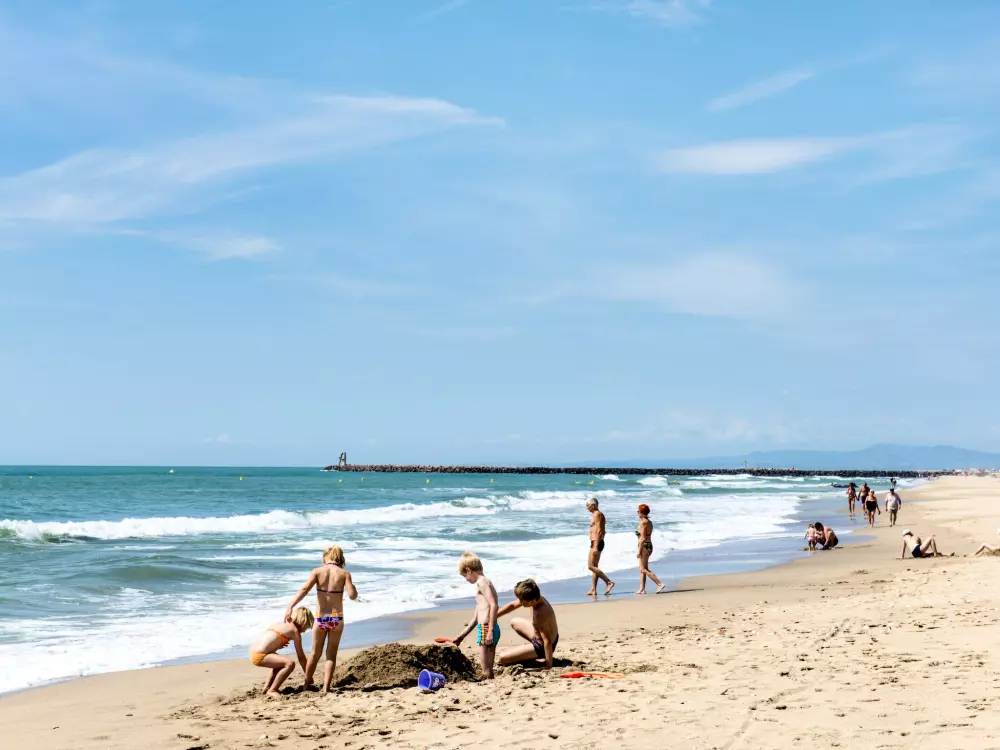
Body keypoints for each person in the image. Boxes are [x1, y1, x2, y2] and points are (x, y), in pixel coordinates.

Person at [284, 545, 359, 693]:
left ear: (325, 558)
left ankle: (307, 685)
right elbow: (352, 596)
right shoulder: (344, 574)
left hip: (321, 618)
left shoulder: (317, 572)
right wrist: (353, 586)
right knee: (331, 654)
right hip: (336, 618)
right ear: (340, 559)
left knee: (314, 653)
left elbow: (304, 589)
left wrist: (290, 606)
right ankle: (326, 688)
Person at [451, 552, 500, 679]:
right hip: (487, 628)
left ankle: (488, 686)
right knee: (488, 668)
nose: (466, 580)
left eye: (464, 576)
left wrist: (490, 631)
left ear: (469, 570)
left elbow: (494, 605)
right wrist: (461, 636)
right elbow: (475, 619)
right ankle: (490, 683)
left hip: (487, 628)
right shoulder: (484, 584)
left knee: (485, 670)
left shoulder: (482, 583)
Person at [248, 607, 314, 695]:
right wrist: (308, 676)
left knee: (279, 664)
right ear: (303, 622)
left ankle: (267, 688)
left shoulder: (281, 623)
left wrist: (278, 644)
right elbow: (301, 657)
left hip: (253, 651)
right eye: (307, 626)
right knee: (289, 664)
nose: (306, 630)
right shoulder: (295, 631)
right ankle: (272, 690)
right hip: (260, 655)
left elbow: (268, 639)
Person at [497, 579, 559, 669]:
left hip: (542, 647)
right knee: (514, 621)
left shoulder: (540, 614)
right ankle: (528, 653)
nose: (520, 602)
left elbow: (547, 641)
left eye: (522, 601)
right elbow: (513, 605)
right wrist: (495, 616)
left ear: (532, 601)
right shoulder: (536, 598)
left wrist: (548, 664)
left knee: (502, 658)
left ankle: (538, 657)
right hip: (538, 637)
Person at [585, 498, 615, 596]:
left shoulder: (597, 514)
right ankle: (593, 589)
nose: (586, 507)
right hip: (595, 541)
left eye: (587, 505)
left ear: (593, 505)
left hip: (596, 542)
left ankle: (608, 582)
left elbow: (599, 530)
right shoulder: (596, 515)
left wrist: (596, 546)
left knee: (590, 566)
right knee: (595, 567)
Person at [635, 503, 665, 594]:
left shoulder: (643, 523)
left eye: (638, 511)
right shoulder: (649, 522)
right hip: (648, 545)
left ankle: (659, 584)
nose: (637, 512)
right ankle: (642, 589)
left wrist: (639, 550)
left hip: (644, 546)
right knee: (642, 568)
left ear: (642, 512)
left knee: (643, 569)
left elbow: (643, 538)